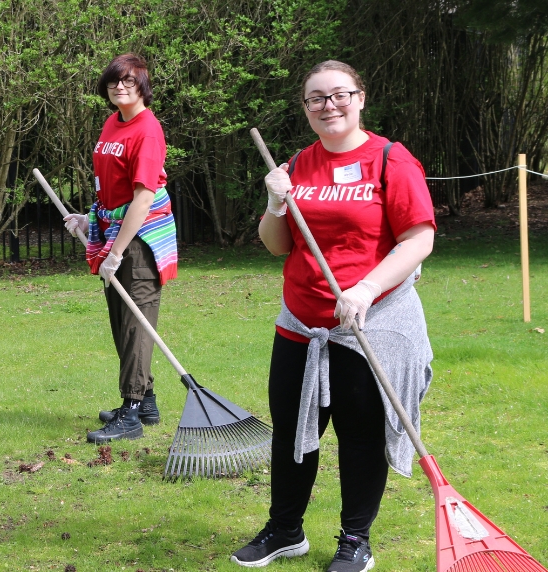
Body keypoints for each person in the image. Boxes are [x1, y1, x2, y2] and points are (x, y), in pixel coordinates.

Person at [231, 60, 436, 572]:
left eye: (339, 95)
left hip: (367, 323)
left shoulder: (391, 159)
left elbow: (420, 238)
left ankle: (354, 541)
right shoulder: (300, 163)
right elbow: (277, 246)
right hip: (302, 323)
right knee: (292, 429)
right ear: (306, 109)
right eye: (316, 99)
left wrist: (366, 288)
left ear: (360, 98)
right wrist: (276, 205)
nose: (329, 106)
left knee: (361, 433)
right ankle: (285, 530)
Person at [63, 53, 177, 444]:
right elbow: (109, 185)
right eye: (114, 81)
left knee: (135, 324)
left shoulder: (147, 130)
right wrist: (88, 218)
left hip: (140, 240)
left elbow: (143, 199)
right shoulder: (113, 122)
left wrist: (115, 254)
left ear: (143, 85)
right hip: (116, 232)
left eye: (129, 81)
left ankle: (129, 413)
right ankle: (146, 401)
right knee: (121, 321)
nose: (120, 87)